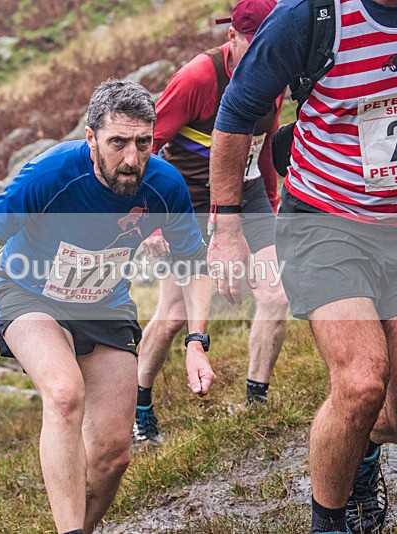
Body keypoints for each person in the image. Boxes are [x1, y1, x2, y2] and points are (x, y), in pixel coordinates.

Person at [208, 0, 397, 532]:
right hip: (327, 221)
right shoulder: (310, 17)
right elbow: (235, 114)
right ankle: (329, 522)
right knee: (362, 381)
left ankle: (357, 444)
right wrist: (228, 228)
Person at [0, 80, 216, 534]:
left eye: (143, 143)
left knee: (112, 455)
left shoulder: (165, 185)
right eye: (117, 143)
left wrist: (197, 341)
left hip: (106, 306)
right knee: (64, 394)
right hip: (30, 295)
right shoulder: (51, 174)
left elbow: (194, 264)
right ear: (91, 139)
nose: (131, 158)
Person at [133, 0, 287, 444]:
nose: (264, 60)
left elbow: (264, 143)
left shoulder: (275, 71)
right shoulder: (198, 78)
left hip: (249, 195)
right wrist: (149, 221)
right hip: (187, 203)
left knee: (276, 295)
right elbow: (142, 147)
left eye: (271, 49)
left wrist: (271, 203)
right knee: (176, 314)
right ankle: (140, 409)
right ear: (232, 38)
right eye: (254, 47)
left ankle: (255, 400)